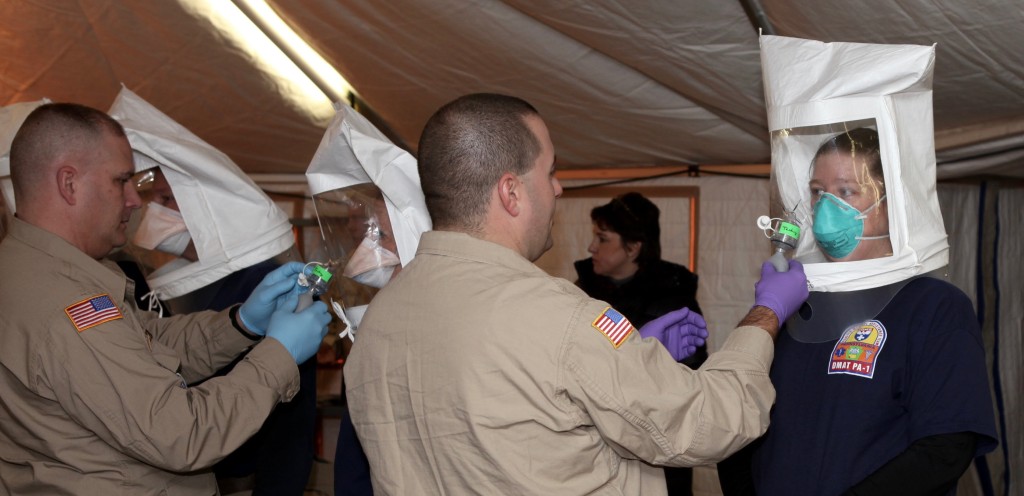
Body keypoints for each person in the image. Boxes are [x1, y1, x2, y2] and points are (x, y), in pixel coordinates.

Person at [344, 93, 809, 494]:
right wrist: (765, 315)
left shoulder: (379, 319)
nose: (560, 188)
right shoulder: (557, 316)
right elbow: (707, 423)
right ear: (511, 192)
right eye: (549, 172)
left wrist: (631, 355)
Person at [0, 102, 332, 494]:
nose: (134, 200)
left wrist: (242, 323)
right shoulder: (66, 305)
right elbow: (182, 435)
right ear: (69, 183)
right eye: (120, 181)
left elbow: (149, 344)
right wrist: (279, 353)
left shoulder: (34, 268)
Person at [718, 127, 998, 495]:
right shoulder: (795, 303)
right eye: (819, 192)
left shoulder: (933, 307)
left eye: (846, 191)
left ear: (890, 201)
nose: (826, 209)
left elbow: (946, 448)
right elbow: (739, 421)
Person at [129, 167, 319, 496]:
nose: (151, 208)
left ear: (203, 204)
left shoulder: (257, 281)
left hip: (239, 476)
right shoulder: (177, 281)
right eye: (153, 197)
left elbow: (290, 420)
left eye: (166, 198)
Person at [574, 191, 706, 495]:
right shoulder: (581, 294)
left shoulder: (674, 302)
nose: (591, 247)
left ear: (633, 248)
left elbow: (685, 391)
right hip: (595, 454)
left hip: (655, 459)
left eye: (603, 238)